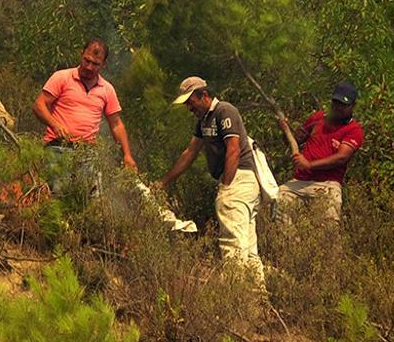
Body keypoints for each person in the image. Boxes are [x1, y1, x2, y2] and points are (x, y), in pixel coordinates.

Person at [158, 76, 264, 283]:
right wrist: (164, 182)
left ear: (204, 95)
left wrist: (226, 186)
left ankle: (236, 293)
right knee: (248, 247)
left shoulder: (224, 111)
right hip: (237, 182)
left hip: (239, 180)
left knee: (232, 242)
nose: (189, 108)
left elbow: (233, 150)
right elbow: (190, 152)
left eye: (191, 101)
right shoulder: (203, 121)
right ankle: (257, 297)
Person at [32, 39, 136, 197]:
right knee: (58, 198)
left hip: (87, 154)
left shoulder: (107, 89)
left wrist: (127, 155)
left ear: (103, 64)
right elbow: (39, 105)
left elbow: (116, 125)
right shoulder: (62, 77)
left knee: (91, 200)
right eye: (86, 60)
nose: (89, 67)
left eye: (95, 64)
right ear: (81, 54)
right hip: (58, 148)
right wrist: (55, 125)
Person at [276, 81, 364, 222]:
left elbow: (341, 157)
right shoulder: (317, 118)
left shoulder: (354, 130)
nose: (338, 107)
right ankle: (289, 242)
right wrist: (285, 130)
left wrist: (309, 164)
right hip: (300, 180)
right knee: (280, 202)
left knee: (327, 230)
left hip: (328, 184)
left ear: (353, 106)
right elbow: (294, 141)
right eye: (336, 103)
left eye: (343, 104)